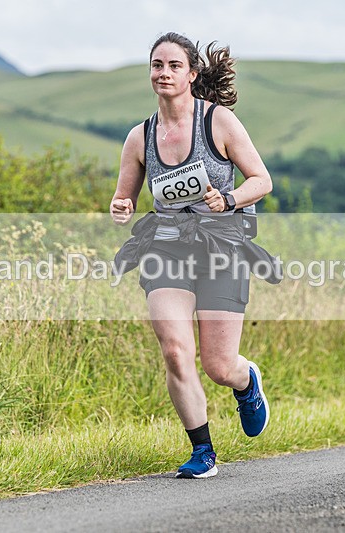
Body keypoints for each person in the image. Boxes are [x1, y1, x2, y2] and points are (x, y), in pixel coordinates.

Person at [110, 32, 274, 479]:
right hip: (166, 248)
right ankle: (203, 451)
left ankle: (246, 382)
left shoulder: (218, 123)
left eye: (173, 65)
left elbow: (262, 180)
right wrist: (121, 206)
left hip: (221, 247)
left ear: (192, 74)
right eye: (156, 65)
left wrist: (230, 199)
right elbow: (123, 200)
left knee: (218, 366)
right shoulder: (139, 137)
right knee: (176, 350)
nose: (163, 73)